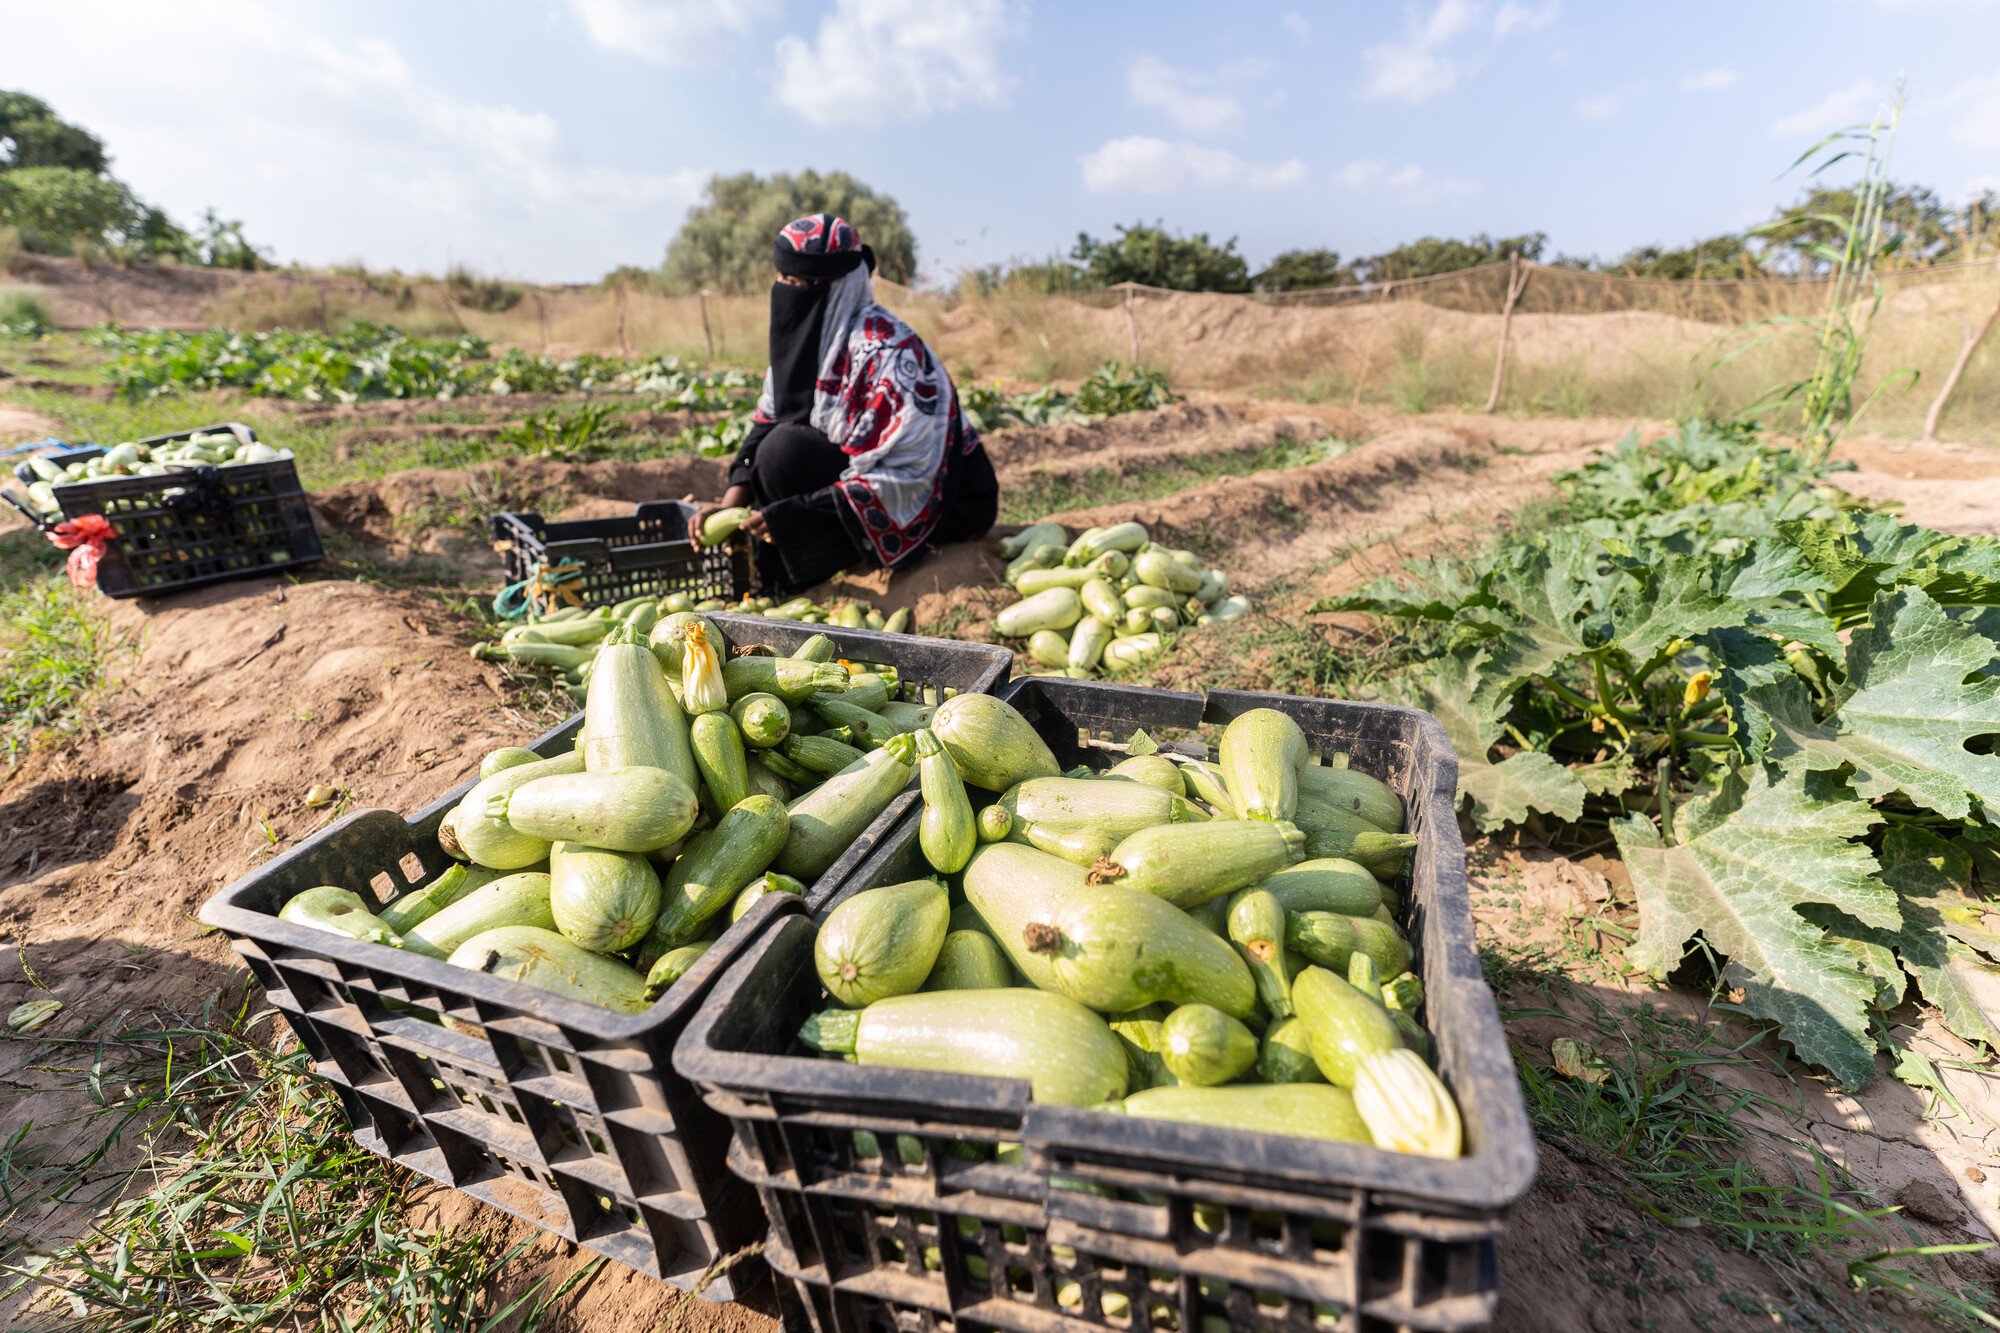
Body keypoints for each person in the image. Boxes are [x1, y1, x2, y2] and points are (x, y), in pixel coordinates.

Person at [690, 213, 997, 592]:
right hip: (854, 475)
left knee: (783, 452)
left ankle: (823, 566)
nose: (784, 290)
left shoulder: (890, 351)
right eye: (780, 279)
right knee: (776, 449)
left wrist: (800, 514)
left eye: (795, 282)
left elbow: (911, 474)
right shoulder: (808, 343)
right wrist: (729, 503)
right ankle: (798, 572)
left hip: (949, 500)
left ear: (832, 287)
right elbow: (766, 421)